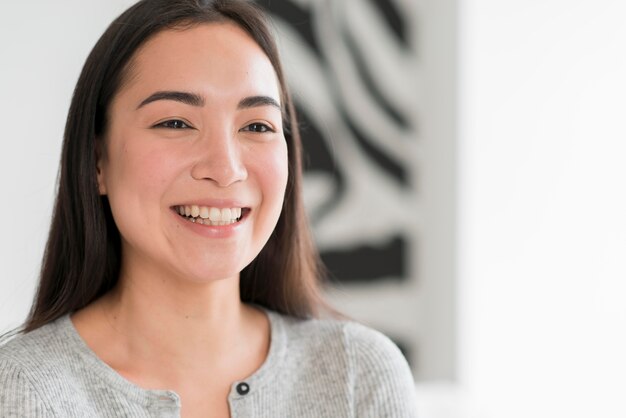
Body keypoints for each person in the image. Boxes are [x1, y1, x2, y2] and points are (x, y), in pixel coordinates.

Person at [0, 0, 418, 416]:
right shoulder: (28, 389)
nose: (225, 169)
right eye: (176, 123)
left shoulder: (357, 375)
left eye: (257, 126)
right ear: (97, 163)